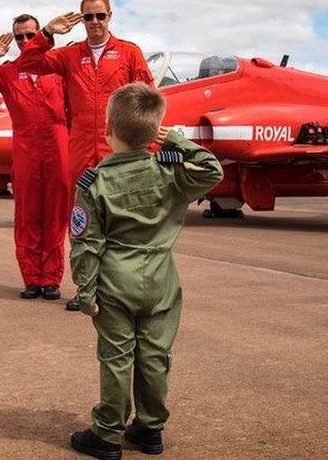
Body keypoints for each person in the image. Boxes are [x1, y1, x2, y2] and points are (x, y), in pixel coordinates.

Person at [67, 84, 222, 459]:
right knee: (155, 356)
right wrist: (177, 142)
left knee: (117, 358)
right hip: (161, 281)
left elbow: (86, 243)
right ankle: (150, 430)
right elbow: (212, 170)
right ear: (155, 131)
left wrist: (85, 293)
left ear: (108, 128)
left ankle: (106, 435)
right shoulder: (170, 173)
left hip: (114, 283)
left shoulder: (95, 182)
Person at [18, 0, 154, 311]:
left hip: (118, 149)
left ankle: (119, 292)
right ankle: (85, 290)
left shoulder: (129, 53)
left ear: (110, 17)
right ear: (81, 20)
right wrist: (47, 33)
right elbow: (27, 62)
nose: (94, 23)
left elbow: (148, 100)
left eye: (100, 16)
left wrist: (149, 147)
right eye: (88, 17)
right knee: (82, 221)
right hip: (80, 148)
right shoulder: (68, 55)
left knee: (120, 222)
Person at [0, 15, 70, 300]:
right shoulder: (8, 71)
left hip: (57, 144)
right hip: (26, 147)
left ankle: (51, 278)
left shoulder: (59, 65)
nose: (25, 42)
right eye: (19, 37)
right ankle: (32, 278)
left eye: (30, 35)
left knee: (55, 215)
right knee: (27, 215)